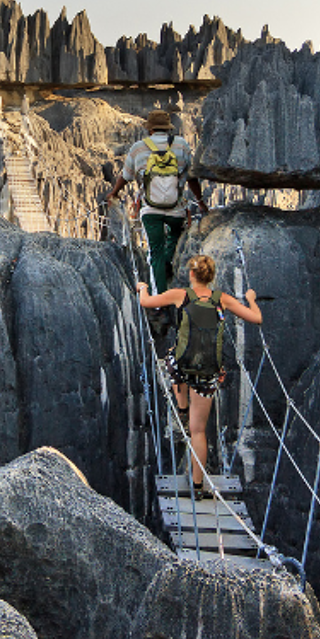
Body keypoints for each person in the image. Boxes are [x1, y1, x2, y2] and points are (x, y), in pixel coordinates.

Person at [138, 255, 260, 489]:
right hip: (207, 373)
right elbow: (256, 318)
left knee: (171, 359)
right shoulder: (222, 299)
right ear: (211, 276)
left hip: (182, 366)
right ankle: (197, 484)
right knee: (198, 431)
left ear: (192, 275)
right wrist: (251, 299)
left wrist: (142, 287)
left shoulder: (180, 295)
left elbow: (147, 302)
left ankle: (181, 407)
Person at [106, 108, 207, 293]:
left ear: (150, 129)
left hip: (150, 210)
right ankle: (169, 263)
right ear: (168, 129)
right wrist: (200, 201)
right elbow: (192, 178)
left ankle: (160, 302)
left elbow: (125, 176)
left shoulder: (138, 148)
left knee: (155, 253)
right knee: (176, 235)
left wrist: (113, 192)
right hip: (177, 209)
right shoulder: (182, 145)